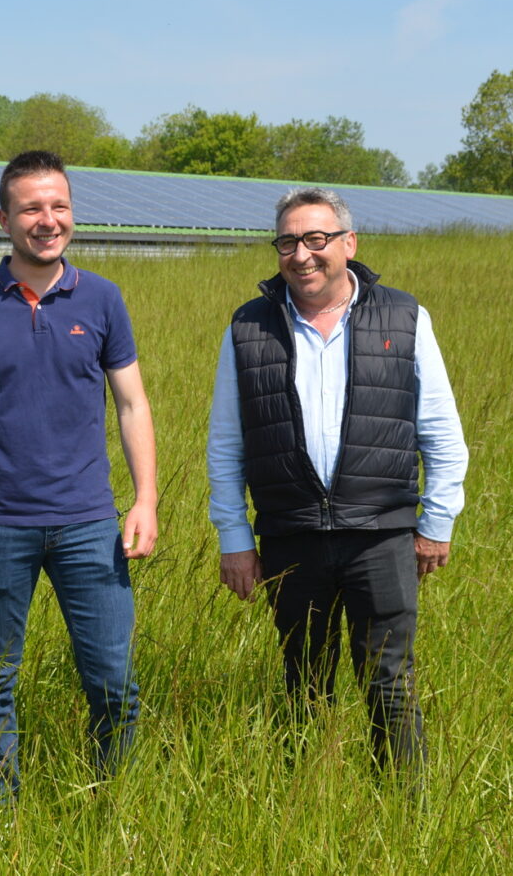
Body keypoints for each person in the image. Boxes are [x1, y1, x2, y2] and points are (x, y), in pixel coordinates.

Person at [206, 186, 468, 783]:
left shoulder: (404, 317)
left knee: (389, 684)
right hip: (290, 536)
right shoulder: (248, 327)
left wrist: (436, 523)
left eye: (317, 239)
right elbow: (227, 444)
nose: (303, 254)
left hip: (381, 536)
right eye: (289, 241)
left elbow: (442, 433)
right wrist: (233, 537)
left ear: (348, 244)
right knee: (302, 682)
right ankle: (301, 806)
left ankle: (404, 809)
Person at [0, 150, 158, 802]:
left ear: (71, 214)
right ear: (5, 218)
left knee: (112, 676)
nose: (46, 219)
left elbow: (133, 404)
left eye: (58, 205)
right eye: (31, 207)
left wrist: (145, 500)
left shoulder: (103, 299)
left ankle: (117, 802)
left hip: (91, 524)